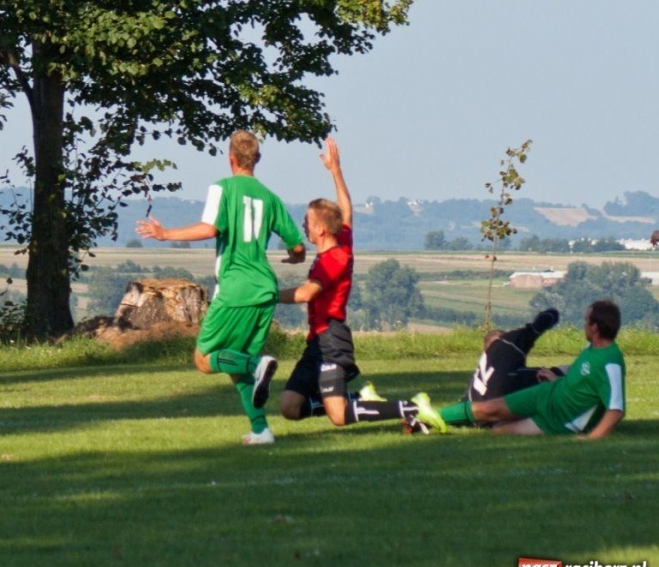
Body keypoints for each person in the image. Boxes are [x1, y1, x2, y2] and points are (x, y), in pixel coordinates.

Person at [136, 129, 306, 445]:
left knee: (204, 358)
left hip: (236, 288)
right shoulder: (270, 197)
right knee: (235, 365)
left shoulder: (223, 188)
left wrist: (165, 234)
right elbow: (297, 247)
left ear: (230, 159)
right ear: (257, 159)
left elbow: (210, 227)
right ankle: (261, 431)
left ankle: (259, 365)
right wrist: (295, 260)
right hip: (265, 290)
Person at [276, 137, 445, 434]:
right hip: (316, 342)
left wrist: (266, 296)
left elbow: (306, 293)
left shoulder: (335, 258)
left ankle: (412, 407)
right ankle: (358, 399)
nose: (303, 226)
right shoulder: (341, 240)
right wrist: (335, 171)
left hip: (332, 341)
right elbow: (346, 210)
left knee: (338, 417)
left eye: (307, 221)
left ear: (321, 229)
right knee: (290, 406)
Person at [437, 300, 625, 439]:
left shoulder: (611, 363)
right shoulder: (591, 348)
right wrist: (556, 381)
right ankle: (426, 416)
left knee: (497, 432)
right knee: (489, 409)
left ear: (595, 327)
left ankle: (428, 417)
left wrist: (593, 437)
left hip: (557, 420)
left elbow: (616, 409)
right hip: (545, 394)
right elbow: (581, 384)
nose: (583, 325)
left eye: (586, 321)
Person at [454, 308, 564, 427]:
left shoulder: (477, 383)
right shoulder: (509, 353)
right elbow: (537, 326)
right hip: (494, 414)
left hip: (479, 415)